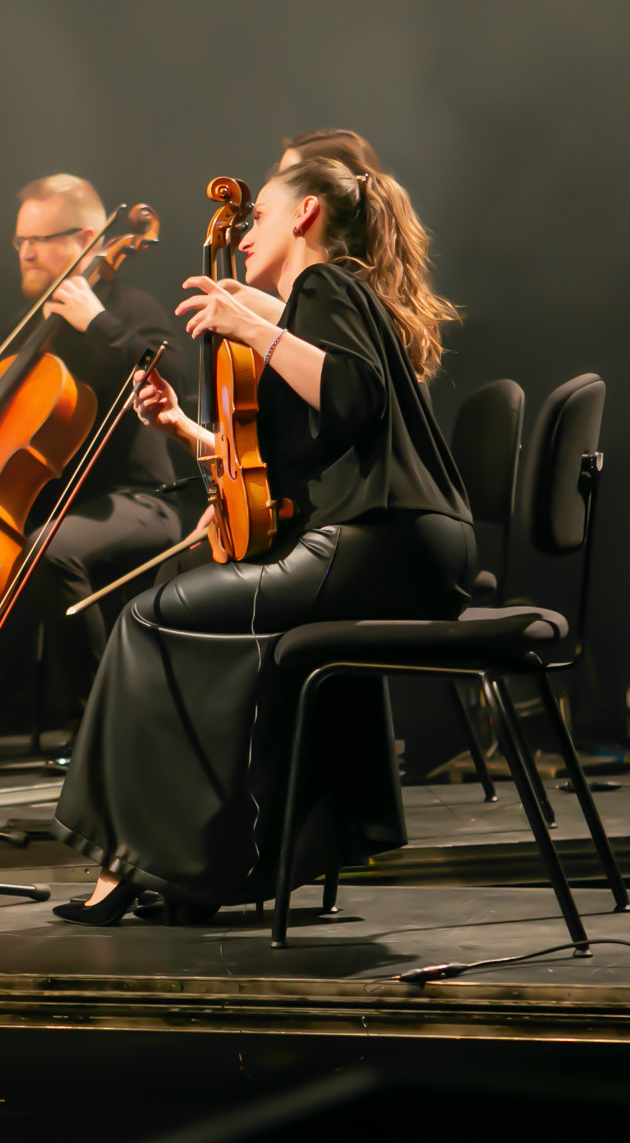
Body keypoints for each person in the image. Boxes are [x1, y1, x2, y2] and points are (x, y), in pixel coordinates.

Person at [50, 153, 474, 924]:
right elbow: (280, 466)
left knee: (149, 620)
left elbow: (354, 398)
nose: (245, 235)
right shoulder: (320, 307)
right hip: (391, 543)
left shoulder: (326, 283)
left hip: (383, 539)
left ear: (307, 215)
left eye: (262, 217)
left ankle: (127, 864)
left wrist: (248, 321)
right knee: (221, 636)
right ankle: (198, 872)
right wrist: (181, 425)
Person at [0, 174, 186, 731]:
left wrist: (96, 320)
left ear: (89, 238)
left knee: (45, 550)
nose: (25, 252)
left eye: (41, 239)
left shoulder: (128, 307)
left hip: (138, 501)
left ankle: (104, 731)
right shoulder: (32, 329)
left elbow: (177, 375)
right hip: (46, 506)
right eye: (19, 241)